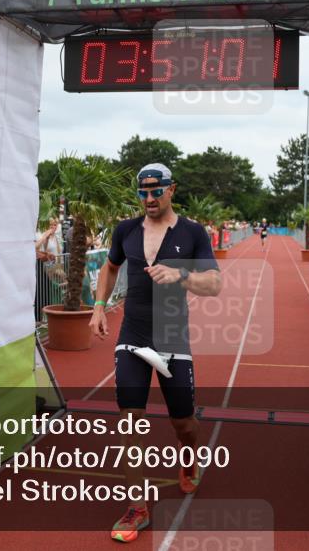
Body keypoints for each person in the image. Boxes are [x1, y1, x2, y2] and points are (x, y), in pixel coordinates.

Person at [89, 163, 222, 543]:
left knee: (183, 423)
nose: (148, 199)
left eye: (155, 191)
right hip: (131, 336)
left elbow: (213, 284)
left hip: (172, 338)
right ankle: (137, 508)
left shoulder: (192, 233)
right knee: (130, 422)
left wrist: (180, 275)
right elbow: (110, 268)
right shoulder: (126, 230)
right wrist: (99, 306)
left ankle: (189, 453)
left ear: (171, 189)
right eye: (142, 192)